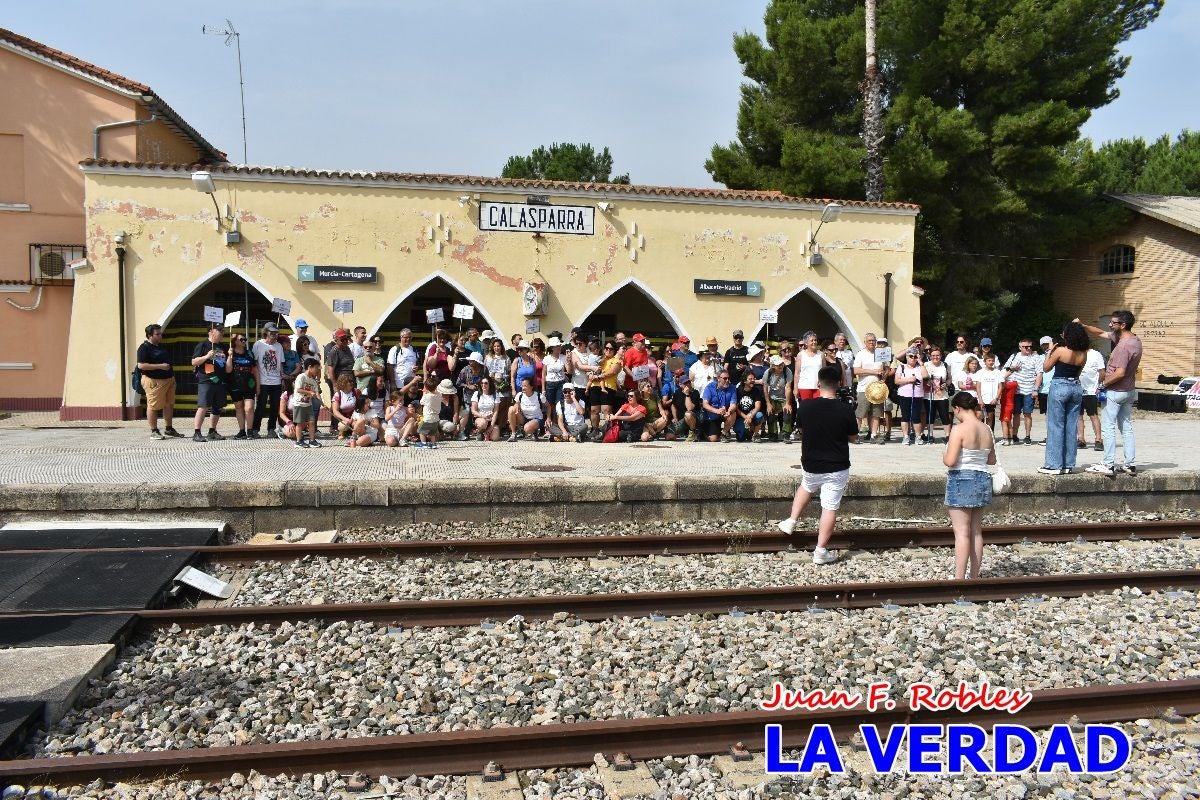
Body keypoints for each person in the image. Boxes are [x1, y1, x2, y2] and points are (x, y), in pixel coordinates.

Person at [776, 366, 858, 565]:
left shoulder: (805, 406)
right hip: (837, 465)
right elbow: (854, 438)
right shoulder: (846, 409)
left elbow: (802, 429)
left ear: (818, 384)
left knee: (806, 486)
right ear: (839, 384)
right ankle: (820, 551)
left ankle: (791, 521)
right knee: (829, 507)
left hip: (811, 462)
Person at [1077, 310, 1142, 475]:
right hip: (1128, 391)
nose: (1110, 325)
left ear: (1123, 325)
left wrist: (1102, 385)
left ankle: (1108, 464)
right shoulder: (1134, 340)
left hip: (1115, 391)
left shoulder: (1122, 346)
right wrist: (1083, 326)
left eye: (1113, 323)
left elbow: (1119, 372)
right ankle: (1130, 464)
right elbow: (1100, 333)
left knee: (1108, 428)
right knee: (1126, 428)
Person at [943, 393, 996, 580]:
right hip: (982, 477)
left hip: (962, 478)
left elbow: (950, 461)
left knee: (961, 533)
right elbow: (992, 460)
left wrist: (944, 454)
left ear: (957, 408)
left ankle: (959, 578)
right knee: (976, 531)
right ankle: (974, 576)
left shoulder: (959, 429)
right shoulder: (987, 429)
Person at [1039, 322, 1089, 475]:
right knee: (1070, 426)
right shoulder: (1083, 354)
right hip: (1075, 386)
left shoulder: (1060, 350)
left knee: (1056, 425)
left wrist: (1050, 351)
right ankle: (1068, 464)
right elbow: (1078, 372)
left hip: (1060, 385)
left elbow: (1046, 367)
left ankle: (1053, 465)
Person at [136, 324, 183, 439]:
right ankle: (154, 431)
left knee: (169, 404)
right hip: (154, 381)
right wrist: (160, 366)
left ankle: (169, 429)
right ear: (149, 335)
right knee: (153, 406)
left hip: (169, 380)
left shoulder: (160, 346)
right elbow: (141, 365)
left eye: (160, 333)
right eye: (157, 334)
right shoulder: (144, 347)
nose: (160, 336)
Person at [1002, 337, 1043, 445]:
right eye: (1025, 347)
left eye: (1030, 346)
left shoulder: (1036, 357)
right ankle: (1015, 435)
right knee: (1016, 413)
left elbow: (1039, 374)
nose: (1028, 348)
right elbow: (1004, 370)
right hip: (1015, 390)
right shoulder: (1014, 356)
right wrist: (1013, 368)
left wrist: (1035, 389)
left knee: (1027, 414)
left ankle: (1027, 436)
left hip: (1029, 390)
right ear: (1020, 347)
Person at [190, 326, 227, 442]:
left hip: (220, 381)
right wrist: (207, 356)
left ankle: (212, 431)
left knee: (217, 407)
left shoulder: (223, 347)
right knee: (203, 406)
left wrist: (230, 356)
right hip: (206, 380)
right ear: (211, 331)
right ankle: (197, 433)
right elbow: (194, 362)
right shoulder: (203, 345)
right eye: (219, 330)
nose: (222, 332)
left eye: (223, 331)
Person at [251, 322, 285, 438]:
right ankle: (255, 429)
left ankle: (271, 429)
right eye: (272, 333)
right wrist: (257, 382)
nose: (274, 335)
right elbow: (254, 364)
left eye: (276, 333)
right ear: (266, 332)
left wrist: (282, 378)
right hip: (263, 381)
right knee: (260, 406)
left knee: (275, 407)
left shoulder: (279, 346)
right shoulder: (258, 345)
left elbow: (280, 363)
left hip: (276, 381)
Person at [852, 333, 887, 441]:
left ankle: (873, 435)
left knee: (876, 413)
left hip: (877, 389)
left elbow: (885, 369)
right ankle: (855, 435)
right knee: (860, 413)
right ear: (865, 342)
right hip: (864, 388)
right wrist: (873, 372)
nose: (872, 342)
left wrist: (884, 377)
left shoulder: (880, 354)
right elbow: (856, 370)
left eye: (873, 340)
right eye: (869, 341)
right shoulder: (860, 354)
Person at [225, 333, 258, 439]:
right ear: (235, 342)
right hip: (234, 384)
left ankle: (250, 431)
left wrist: (258, 386)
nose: (244, 341)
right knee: (239, 408)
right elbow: (228, 370)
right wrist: (230, 356)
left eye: (245, 339)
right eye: (241, 340)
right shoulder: (230, 353)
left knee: (249, 408)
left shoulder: (249, 353)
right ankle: (242, 431)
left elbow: (255, 369)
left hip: (249, 384)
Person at [324, 329, 356, 435]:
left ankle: (348, 426)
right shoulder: (334, 351)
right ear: (336, 340)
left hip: (349, 381)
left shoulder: (347, 349)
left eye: (346, 339)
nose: (345, 341)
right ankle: (335, 426)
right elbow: (330, 370)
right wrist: (334, 385)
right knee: (337, 404)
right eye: (342, 339)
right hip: (340, 382)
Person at [894, 348, 927, 445]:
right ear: (907, 357)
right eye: (910, 356)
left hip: (917, 395)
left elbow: (925, 376)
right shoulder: (902, 367)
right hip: (904, 394)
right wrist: (909, 380)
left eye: (915, 356)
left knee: (916, 417)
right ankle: (905, 436)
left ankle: (918, 437)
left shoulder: (919, 367)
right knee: (905, 416)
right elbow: (897, 381)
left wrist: (921, 363)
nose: (913, 358)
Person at [291, 357, 324, 448]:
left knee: (312, 422)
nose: (317, 370)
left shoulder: (313, 381)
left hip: (308, 404)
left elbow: (317, 394)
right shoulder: (301, 377)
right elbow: (298, 389)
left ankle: (312, 440)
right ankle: (299, 441)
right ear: (310, 367)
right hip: (299, 404)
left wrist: (322, 404)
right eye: (316, 368)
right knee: (300, 423)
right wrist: (309, 392)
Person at [1078, 346, 1106, 451]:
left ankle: (1098, 440)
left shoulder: (1095, 354)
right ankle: (1081, 439)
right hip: (1077, 389)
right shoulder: (1075, 352)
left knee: (1093, 415)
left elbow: (1102, 372)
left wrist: (1098, 386)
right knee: (1078, 415)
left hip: (1091, 390)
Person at [700, 370, 737, 442]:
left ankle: (724, 434)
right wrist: (717, 411)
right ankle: (703, 432)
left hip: (725, 413)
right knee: (713, 439)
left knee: (733, 414)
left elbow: (733, 404)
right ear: (718, 378)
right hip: (713, 415)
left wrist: (729, 411)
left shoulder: (732, 388)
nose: (727, 380)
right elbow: (705, 404)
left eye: (728, 378)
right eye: (725, 378)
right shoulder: (709, 387)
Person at [508, 376, 548, 442]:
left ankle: (533, 431)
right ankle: (513, 434)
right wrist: (517, 404)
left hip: (537, 419)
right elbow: (516, 404)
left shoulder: (539, 395)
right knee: (511, 409)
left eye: (525, 386)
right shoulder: (520, 395)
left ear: (531, 387)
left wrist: (548, 418)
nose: (523, 388)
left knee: (527, 428)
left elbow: (548, 406)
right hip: (524, 418)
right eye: (522, 386)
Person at [764, 355, 794, 442]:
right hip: (772, 396)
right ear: (773, 366)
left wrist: (788, 403)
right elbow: (765, 388)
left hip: (784, 396)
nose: (781, 366)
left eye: (781, 363)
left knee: (787, 412)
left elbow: (788, 388)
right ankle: (773, 434)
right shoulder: (768, 372)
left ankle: (786, 434)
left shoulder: (787, 371)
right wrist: (768, 403)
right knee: (770, 412)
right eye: (778, 365)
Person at [456, 351, 485, 439]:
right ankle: (466, 433)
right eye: (470, 361)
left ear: (477, 362)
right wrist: (468, 386)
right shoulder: (465, 369)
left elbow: (488, 381)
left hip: (481, 396)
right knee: (468, 414)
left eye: (472, 361)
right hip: (468, 397)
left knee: (480, 413)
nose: (470, 362)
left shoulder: (484, 370)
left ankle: (480, 432)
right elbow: (458, 383)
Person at [543, 336, 569, 431]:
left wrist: (569, 361)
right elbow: (543, 374)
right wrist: (543, 388)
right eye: (556, 346)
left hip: (561, 383)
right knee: (550, 406)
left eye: (559, 346)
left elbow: (569, 371)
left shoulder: (563, 357)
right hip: (550, 383)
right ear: (552, 348)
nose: (558, 347)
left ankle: (558, 426)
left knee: (559, 405)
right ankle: (549, 427)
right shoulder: (547, 358)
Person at [386, 329, 421, 394]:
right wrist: (392, 383)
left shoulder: (414, 349)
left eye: (409, 337)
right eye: (406, 337)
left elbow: (417, 363)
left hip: (411, 385)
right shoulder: (395, 349)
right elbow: (390, 367)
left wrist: (417, 368)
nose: (408, 339)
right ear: (401, 337)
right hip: (399, 384)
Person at [734, 371, 765, 442]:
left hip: (752, 415)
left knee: (759, 415)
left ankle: (756, 434)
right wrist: (746, 417)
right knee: (741, 438)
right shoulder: (738, 391)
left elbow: (757, 407)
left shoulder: (756, 391)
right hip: (741, 417)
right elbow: (736, 408)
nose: (753, 381)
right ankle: (748, 431)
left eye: (754, 379)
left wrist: (750, 415)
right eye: (750, 379)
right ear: (744, 381)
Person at [976, 353, 1003, 433]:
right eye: (989, 360)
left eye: (992, 361)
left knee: (990, 419)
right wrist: (980, 399)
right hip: (982, 400)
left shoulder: (997, 372)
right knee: (980, 419)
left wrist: (996, 398)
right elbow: (978, 387)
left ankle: (990, 436)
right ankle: (980, 436)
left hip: (992, 400)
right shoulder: (980, 372)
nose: (991, 362)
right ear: (985, 361)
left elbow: (1000, 387)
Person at [470, 375, 502, 441]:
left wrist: (492, 426)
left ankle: (485, 433)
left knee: (495, 438)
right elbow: (473, 410)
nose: (483, 385)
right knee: (483, 423)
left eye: (486, 383)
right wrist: (482, 416)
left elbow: (496, 411)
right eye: (482, 383)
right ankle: (479, 431)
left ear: (490, 384)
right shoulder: (476, 394)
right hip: (480, 418)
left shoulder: (495, 395)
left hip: (491, 419)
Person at [416, 376, 443, 449]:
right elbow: (436, 392)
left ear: (426, 388)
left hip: (428, 418)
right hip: (436, 418)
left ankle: (423, 444)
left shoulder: (427, 396)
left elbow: (421, 402)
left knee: (421, 431)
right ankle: (433, 444)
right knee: (432, 432)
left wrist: (424, 393)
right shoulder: (439, 395)